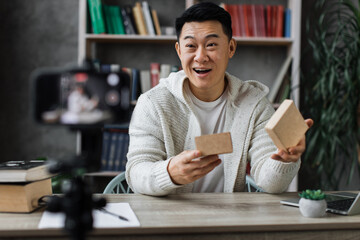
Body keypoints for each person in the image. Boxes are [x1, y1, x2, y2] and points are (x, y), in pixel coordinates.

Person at [125, 2, 313, 196]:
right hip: (168, 218)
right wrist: (170, 173)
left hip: (229, 219)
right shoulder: (152, 103)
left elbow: (270, 183)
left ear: (231, 48)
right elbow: (135, 172)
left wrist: (283, 160)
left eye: (211, 45)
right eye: (190, 46)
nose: (200, 56)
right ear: (179, 51)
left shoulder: (254, 103)